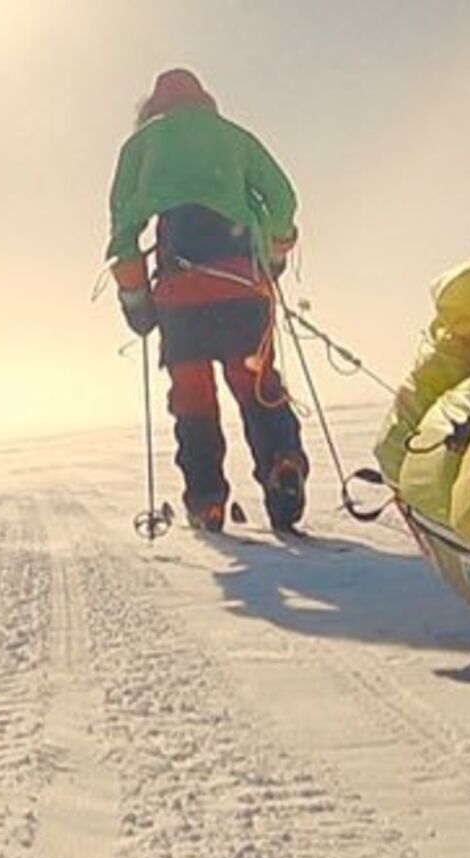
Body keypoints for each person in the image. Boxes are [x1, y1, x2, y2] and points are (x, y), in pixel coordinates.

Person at [105, 68, 310, 534]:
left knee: (192, 398)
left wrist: (135, 296)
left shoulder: (141, 147)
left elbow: (123, 228)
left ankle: (206, 501)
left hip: (181, 293)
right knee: (257, 384)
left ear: (153, 110)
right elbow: (282, 200)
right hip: (241, 285)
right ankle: (282, 463)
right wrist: (275, 253)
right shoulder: (234, 138)